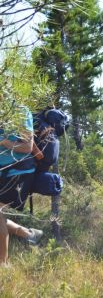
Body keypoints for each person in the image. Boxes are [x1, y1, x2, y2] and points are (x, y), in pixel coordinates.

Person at [0, 106, 43, 267]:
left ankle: (3, 265)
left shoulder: (19, 110)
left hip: (18, 171)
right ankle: (29, 234)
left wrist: (4, 141)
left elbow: (27, 147)